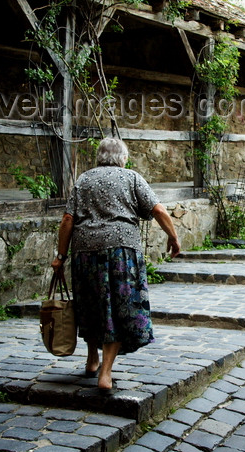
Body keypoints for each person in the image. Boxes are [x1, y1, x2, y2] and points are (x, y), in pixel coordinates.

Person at [51, 137, 180, 392]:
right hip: (121, 253)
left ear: (99, 157)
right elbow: (159, 210)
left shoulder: (84, 180)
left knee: (91, 304)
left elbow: (67, 219)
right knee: (118, 310)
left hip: (85, 253)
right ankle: (105, 374)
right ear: (123, 158)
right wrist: (173, 237)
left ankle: (92, 360)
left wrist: (61, 256)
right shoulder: (131, 178)